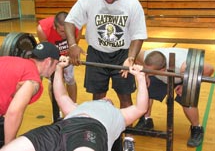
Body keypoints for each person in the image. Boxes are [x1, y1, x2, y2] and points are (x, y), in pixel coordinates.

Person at [0, 56, 149, 151]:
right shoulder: (76, 108)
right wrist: (59, 68)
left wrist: (140, 78)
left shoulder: (120, 115)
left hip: (91, 128)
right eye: (106, 98)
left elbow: (141, 107)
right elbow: (61, 95)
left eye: (109, 100)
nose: (107, 98)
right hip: (60, 129)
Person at [64, 0, 147, 149]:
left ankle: (128, 138)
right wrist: (73, 45)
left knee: (125, 97)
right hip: (96, 54)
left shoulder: (132, 3)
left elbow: (138, 34)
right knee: (98, 97)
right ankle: (98, 133)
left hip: (122, 54)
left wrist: (130, 58)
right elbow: (70, 21)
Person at [134, 47, 214, 147]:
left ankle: (196, 128)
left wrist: (186, 85)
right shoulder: (145, 56)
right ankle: (146, 120)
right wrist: (145, 75)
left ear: (163, 69)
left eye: (149, 71)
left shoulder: (183, 66)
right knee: (145, 89)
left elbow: (209, 69)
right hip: (159, 75)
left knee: (188, 99)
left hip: (183, 76)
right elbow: (136, 56)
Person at [0, 42, 60, 147]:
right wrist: (9, 146)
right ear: (48, 61)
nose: (55, 69)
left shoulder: (9, 60)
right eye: (56, 64)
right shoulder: (33, 80)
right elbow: (14, 112)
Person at [37, 11, 82, 102]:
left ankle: (73, 107)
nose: (65, 34)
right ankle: (56, 110)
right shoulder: (42, 30)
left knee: (70, 78)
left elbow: (74, 45)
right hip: (52, 55)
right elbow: (46, 50)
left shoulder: (77, 27)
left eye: (67, 31)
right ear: (54, 27)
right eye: (62, 31)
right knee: (54, 81)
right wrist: (53, 64)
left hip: (67, 54)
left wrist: (70, 57)